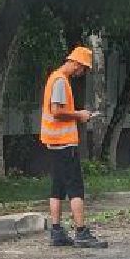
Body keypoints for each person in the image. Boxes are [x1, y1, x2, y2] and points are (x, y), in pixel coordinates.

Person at [42, 46, 107, 248]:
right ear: (77, 63)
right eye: (84, 69)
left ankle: (57, 231)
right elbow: (56, 111)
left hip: (53, 143)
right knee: (75, 188)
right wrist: (79, 115)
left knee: (57, 188)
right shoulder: (61, 80)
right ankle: (81, 232)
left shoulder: (54, 77)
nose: (82, 73)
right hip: (64, 144)